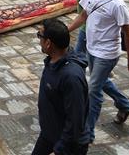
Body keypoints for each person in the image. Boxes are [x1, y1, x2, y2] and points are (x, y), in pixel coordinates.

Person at [67, 0, 129, 143]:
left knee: (93, 90)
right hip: (91, 48)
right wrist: (66, 30)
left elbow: (128, 33)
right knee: (101, 81)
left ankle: (87, 133)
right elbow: (83, 16)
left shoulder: (117, 5)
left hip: (107, 54)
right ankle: (125, 105)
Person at [32, 19, 90, 155]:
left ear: (48, 43)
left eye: (40, 35)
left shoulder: (71, 77)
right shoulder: (52, 61)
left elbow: (75, 120)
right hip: (49, 135)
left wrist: (59, 150)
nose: (38, 39)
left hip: (68, 144)